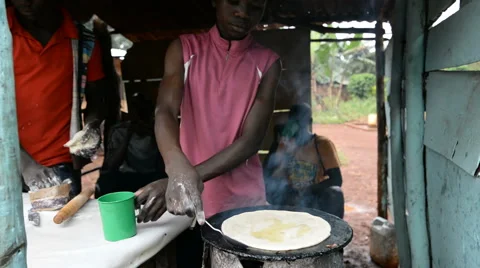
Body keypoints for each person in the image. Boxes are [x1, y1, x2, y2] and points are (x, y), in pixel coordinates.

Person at [135, 0, 281, 266]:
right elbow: (165, 110)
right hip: (189, 205)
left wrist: (181, 179)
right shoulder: (184, 49)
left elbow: (250, 142)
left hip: (243, 203)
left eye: (255, 7)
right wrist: (177, 169)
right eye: (234, 1)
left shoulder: (268, 63)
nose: (242, 12)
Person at [8, 0, 106, 195]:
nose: (25, 2)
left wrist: (92, 126)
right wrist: (24, 163)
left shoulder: (82, 41)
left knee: (61, 223)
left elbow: (97, 96)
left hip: (59, 163)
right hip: (6, 160)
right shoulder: (3, 34)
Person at [264, 103, 345, 218]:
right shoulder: (285, 144)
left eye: (301, 121)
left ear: (309, 122)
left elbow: (337, 179)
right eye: (294, 121)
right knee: (273, 190)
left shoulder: (321, 144)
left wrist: (307, 191)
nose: (298, 125)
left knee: (335, 193)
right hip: (290, 195)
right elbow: (267, 173)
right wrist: (277, 144)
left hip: (314, 195)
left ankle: (334, 228)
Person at [95, 92, 167, 198]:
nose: (139, 116)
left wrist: (153, 134)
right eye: (136, 112)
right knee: (106, 180)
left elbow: (163, 162)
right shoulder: (120, 131)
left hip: (151, 175)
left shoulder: (159, 130)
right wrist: (128, 135)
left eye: (143, 112)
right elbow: (112, 164)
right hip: (128, 175)